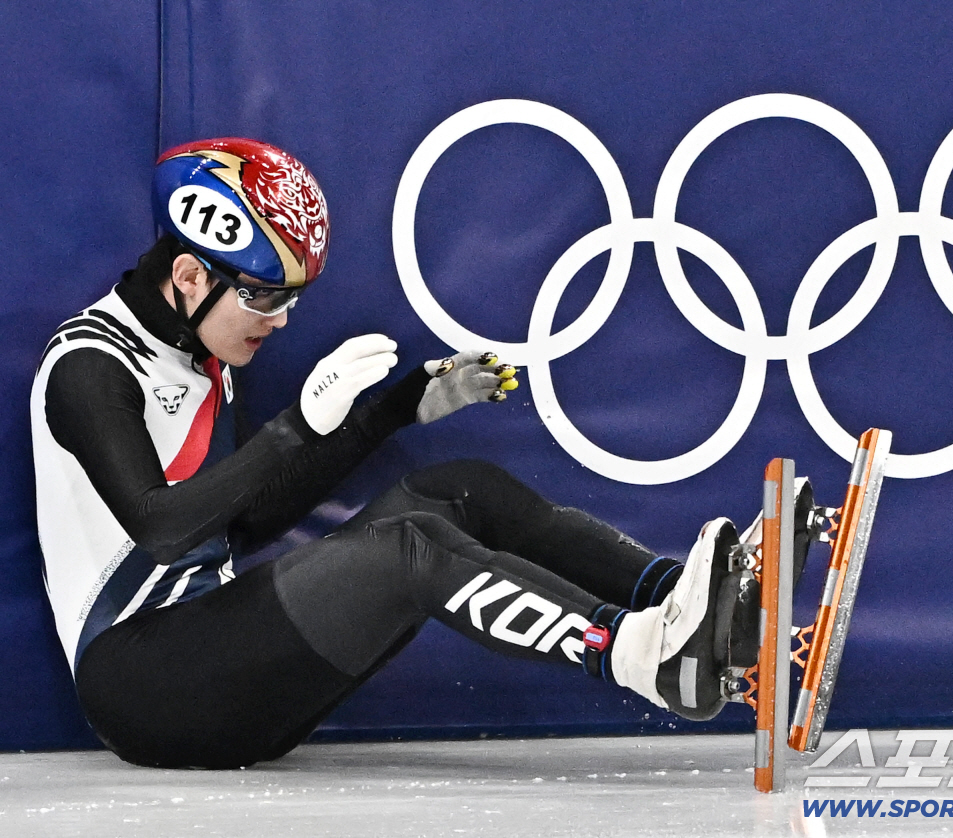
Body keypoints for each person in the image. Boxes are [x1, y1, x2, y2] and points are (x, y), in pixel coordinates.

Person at [29, 138, 765, 769]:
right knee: (409, 550)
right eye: (262, 297)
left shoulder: (200, 353)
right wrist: (294, 429)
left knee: (462, 489)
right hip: (141, 686)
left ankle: (692, 604)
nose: (280, 320)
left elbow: (237, 527)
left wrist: (392, 411)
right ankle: (643, 656)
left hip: (212, 661)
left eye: (292, 298)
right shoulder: (89, 365)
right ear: (189, 276)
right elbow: (162, 529)